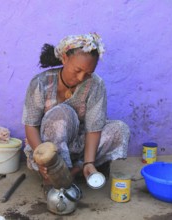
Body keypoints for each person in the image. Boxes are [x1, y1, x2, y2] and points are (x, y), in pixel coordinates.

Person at [22, 33, 130, 190]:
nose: (81, 78)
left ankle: (81, 167)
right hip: (49, 148)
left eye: (88, 73)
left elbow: (94, 127)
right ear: (64, 58)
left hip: (81, 146)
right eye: (77, 70)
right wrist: (43, 159)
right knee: (61, 113)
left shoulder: (96, 84)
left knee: (119, 129)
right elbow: (31, 125)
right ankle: (56, 173)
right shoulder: (40, 83)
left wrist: (89, 162)